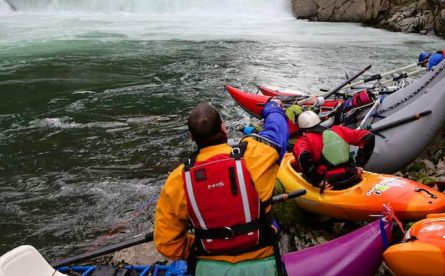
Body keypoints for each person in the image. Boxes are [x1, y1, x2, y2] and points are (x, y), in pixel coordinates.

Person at [154, 100, 289, 275]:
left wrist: (199, 246)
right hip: (263, 262)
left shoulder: (177, 179)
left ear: (191, 137)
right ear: (224, 128)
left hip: (208, 267)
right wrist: (273, 108)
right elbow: (278, 130)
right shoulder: (257, 155)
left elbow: (167, 244)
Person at [292, 110, 375, 190]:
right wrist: (360, 164)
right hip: (352, 175)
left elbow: (303, 157)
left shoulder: (303, 141)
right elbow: (368, 137)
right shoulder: (339, 130)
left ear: (301, 128)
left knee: (306, 173)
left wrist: (317, 181)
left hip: (330, 183)